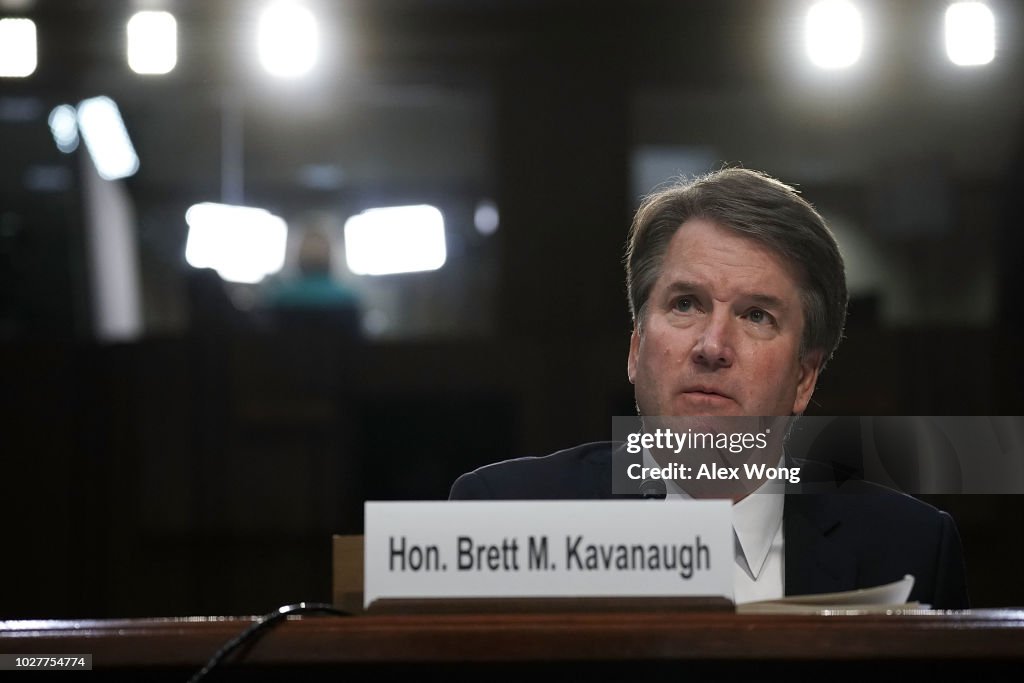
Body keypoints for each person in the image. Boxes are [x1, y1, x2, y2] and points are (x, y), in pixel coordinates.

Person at [449, 167, 969, 609]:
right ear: (636, 349)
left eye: (756, 316)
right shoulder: (504, 515)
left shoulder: (911, 549)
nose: (712, 345)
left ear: (804, 379)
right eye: (685, 304)